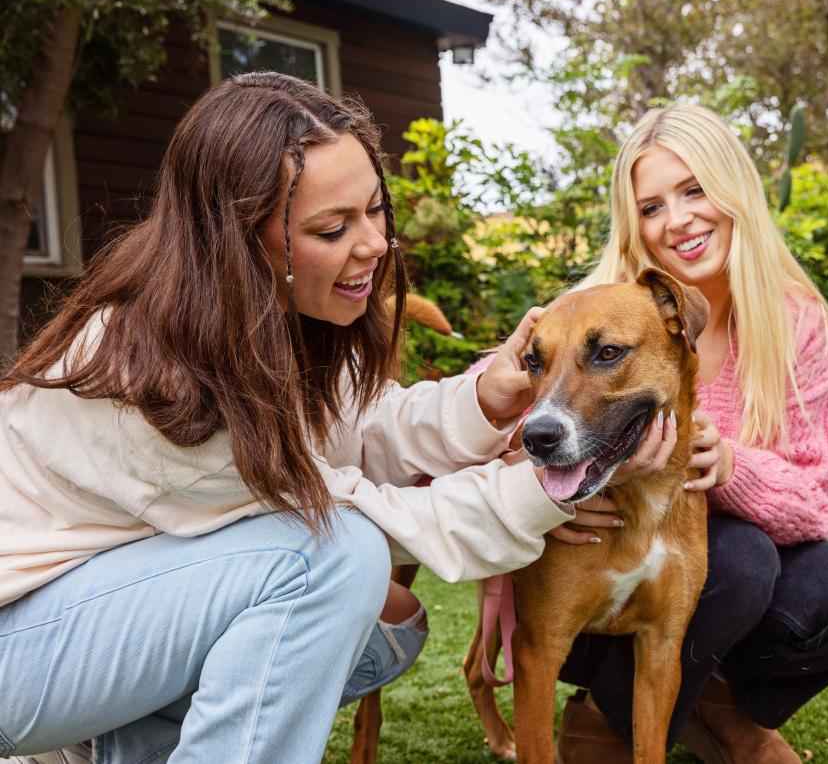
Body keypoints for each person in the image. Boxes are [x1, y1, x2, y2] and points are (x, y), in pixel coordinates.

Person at [0, 72, 595, 763]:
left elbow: (367, 426)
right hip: (19, 647)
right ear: (236, 238)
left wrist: (486, 398)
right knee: (333, 562)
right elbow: (358, 519)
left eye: (375, 210)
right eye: (333, 228)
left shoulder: (276, 321)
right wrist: (560, 480)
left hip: (96, 623)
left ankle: (125, 748)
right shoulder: (157, 374)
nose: (373, 243)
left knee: (386, 627)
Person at [551, 104, 828, 764]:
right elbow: (508, 399)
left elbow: (814, 501)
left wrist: (731, 466)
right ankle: (604, 716)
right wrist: (548, 500)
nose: (677, 219)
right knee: (737, 557)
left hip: (732, 579)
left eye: (693, 190)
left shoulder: (793, 319)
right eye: (651, 207)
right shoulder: (608, 309)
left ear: (733, 189)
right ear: (636, 226)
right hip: (610, 578)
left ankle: (714, 706)